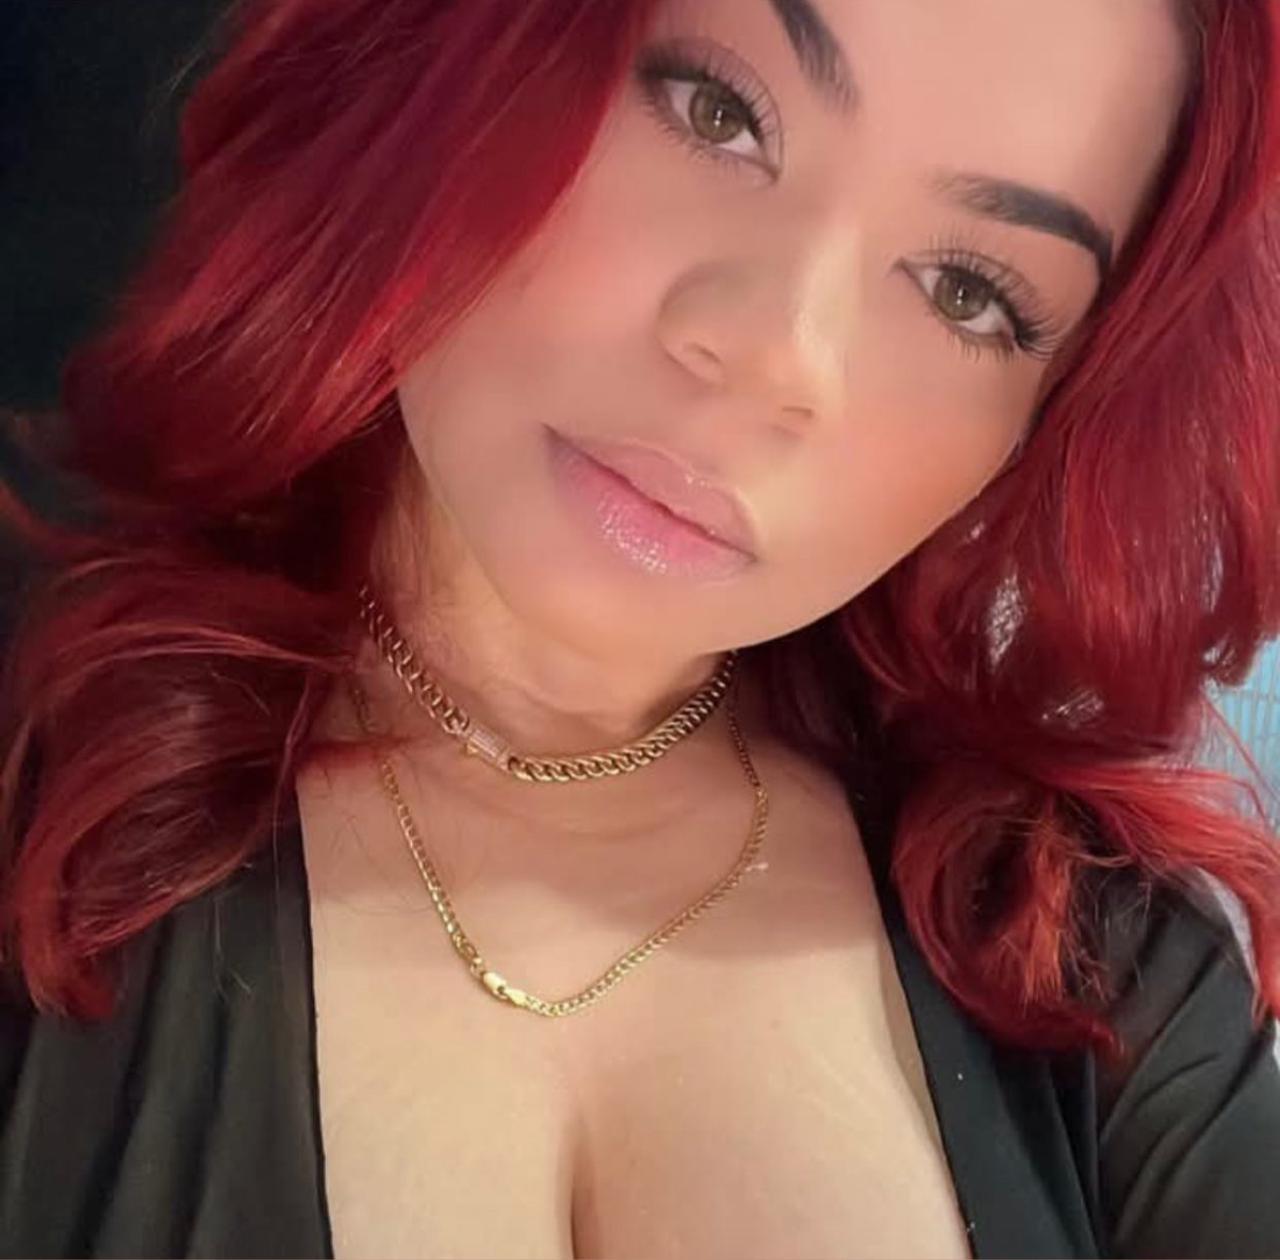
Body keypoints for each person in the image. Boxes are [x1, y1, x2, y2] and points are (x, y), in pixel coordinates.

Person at [1, 0, 1279, 1255]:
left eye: (965, 291)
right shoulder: (35, 756)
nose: (777, 354)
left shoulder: (1097, 970)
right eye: (715, 112)